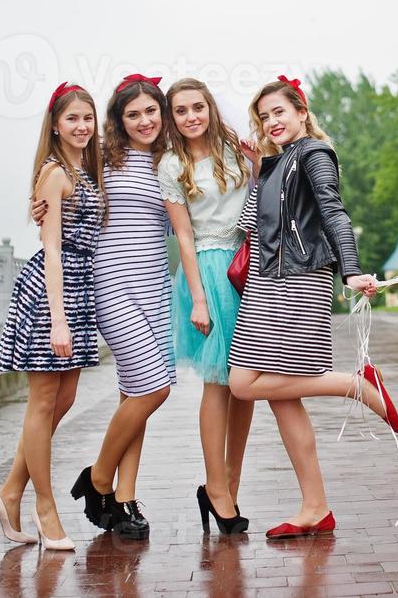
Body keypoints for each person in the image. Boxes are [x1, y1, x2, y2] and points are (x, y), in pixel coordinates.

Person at [226, 76, 398, 539]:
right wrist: (257, 169)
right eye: (264, 116)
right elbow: (253, 225)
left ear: (302, 112)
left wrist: (351, 271)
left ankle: (356, 385)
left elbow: (333, 210)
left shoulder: (313, 154)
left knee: (242, 384)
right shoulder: (276, 163)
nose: (271, 121)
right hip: (267, 283)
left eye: (279, 112)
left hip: (299, 280)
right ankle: (315, 507)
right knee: (283, 399)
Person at [34, 74, 176, 540]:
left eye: (151, 111)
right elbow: (64, 194)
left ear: (163, 112)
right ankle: (98, 480)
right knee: (154, 389)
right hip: (113, 286)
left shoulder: (172, 164)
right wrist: (37, 207)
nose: (144, 120)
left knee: (135, 393)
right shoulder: (104, 162)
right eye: (132, 114)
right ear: (118, 120)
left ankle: (124, 496)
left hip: (157, 287)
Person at [0, 82, 106, 552]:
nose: (81, 126)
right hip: (51, 292)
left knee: (65, 398)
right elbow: (52, 250)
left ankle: (9, 492)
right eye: (72, 119)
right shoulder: (54, 174)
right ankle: (44, 507)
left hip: (79, 289)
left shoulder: (86, 169)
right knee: (42, 402)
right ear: (55, 125)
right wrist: (58, 319)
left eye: (87, 118)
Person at [159, 78, 258, 534]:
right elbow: (183, 236)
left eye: (198, 106)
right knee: (218, 382)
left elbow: (260, 198)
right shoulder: (172, 165)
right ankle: (214, 488)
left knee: (247, 383)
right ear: (173, 118)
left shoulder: (236, 152)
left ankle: (230, 486)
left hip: (247, 267)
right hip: (208, 272)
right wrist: (199, 299)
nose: (191, 116)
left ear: (210, 108)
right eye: (180, 110)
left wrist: (258, 164)